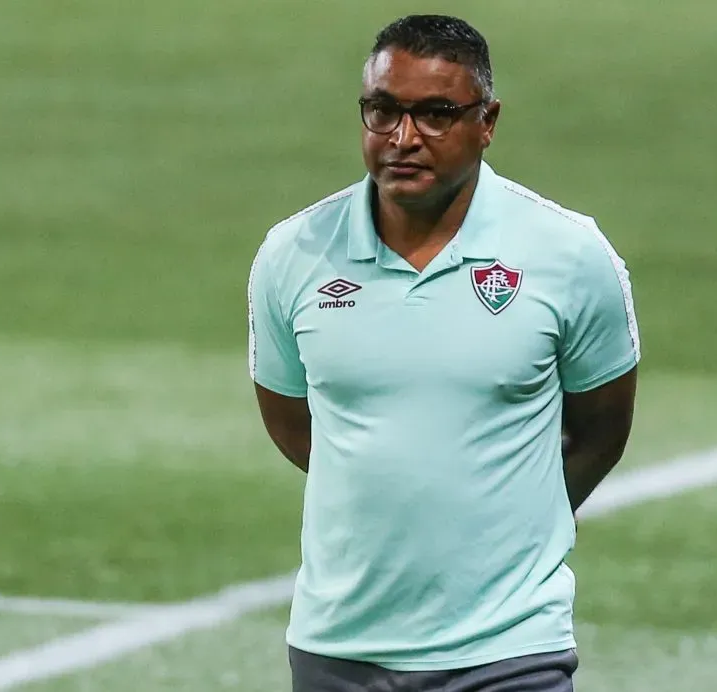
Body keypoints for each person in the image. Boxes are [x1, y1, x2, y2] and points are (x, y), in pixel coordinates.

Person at [247, 13, 640, 691]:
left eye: (436, 114)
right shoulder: (295, 254)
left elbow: (602, 427)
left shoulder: (568, 255)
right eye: (383, 111)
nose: (404, 138)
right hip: (339, 647)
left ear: (487, 122)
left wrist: (514, 518)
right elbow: (294, 423)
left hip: (510, 648)